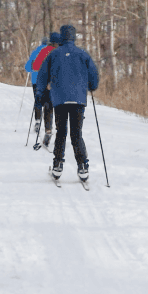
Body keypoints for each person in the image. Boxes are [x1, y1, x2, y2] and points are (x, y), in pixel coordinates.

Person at [36, 24, 99, 181]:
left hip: (59, 99)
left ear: (62, 37)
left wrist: (40, 93)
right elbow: (93, 74)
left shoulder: (54, 54)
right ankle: (83, 167)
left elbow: (43, 74)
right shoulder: (83, 54)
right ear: (74, 36)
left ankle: (57, 166)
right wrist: (92, 86)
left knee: (61, 132)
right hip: (78, 99)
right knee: (76, 133)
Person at [24, 33, 59, 144]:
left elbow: (30, 67)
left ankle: (42, 124)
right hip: (59, 84)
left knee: (42, 103)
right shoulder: (62, 51)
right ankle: (60, 131)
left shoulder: (39, 51)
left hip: (39, 82)